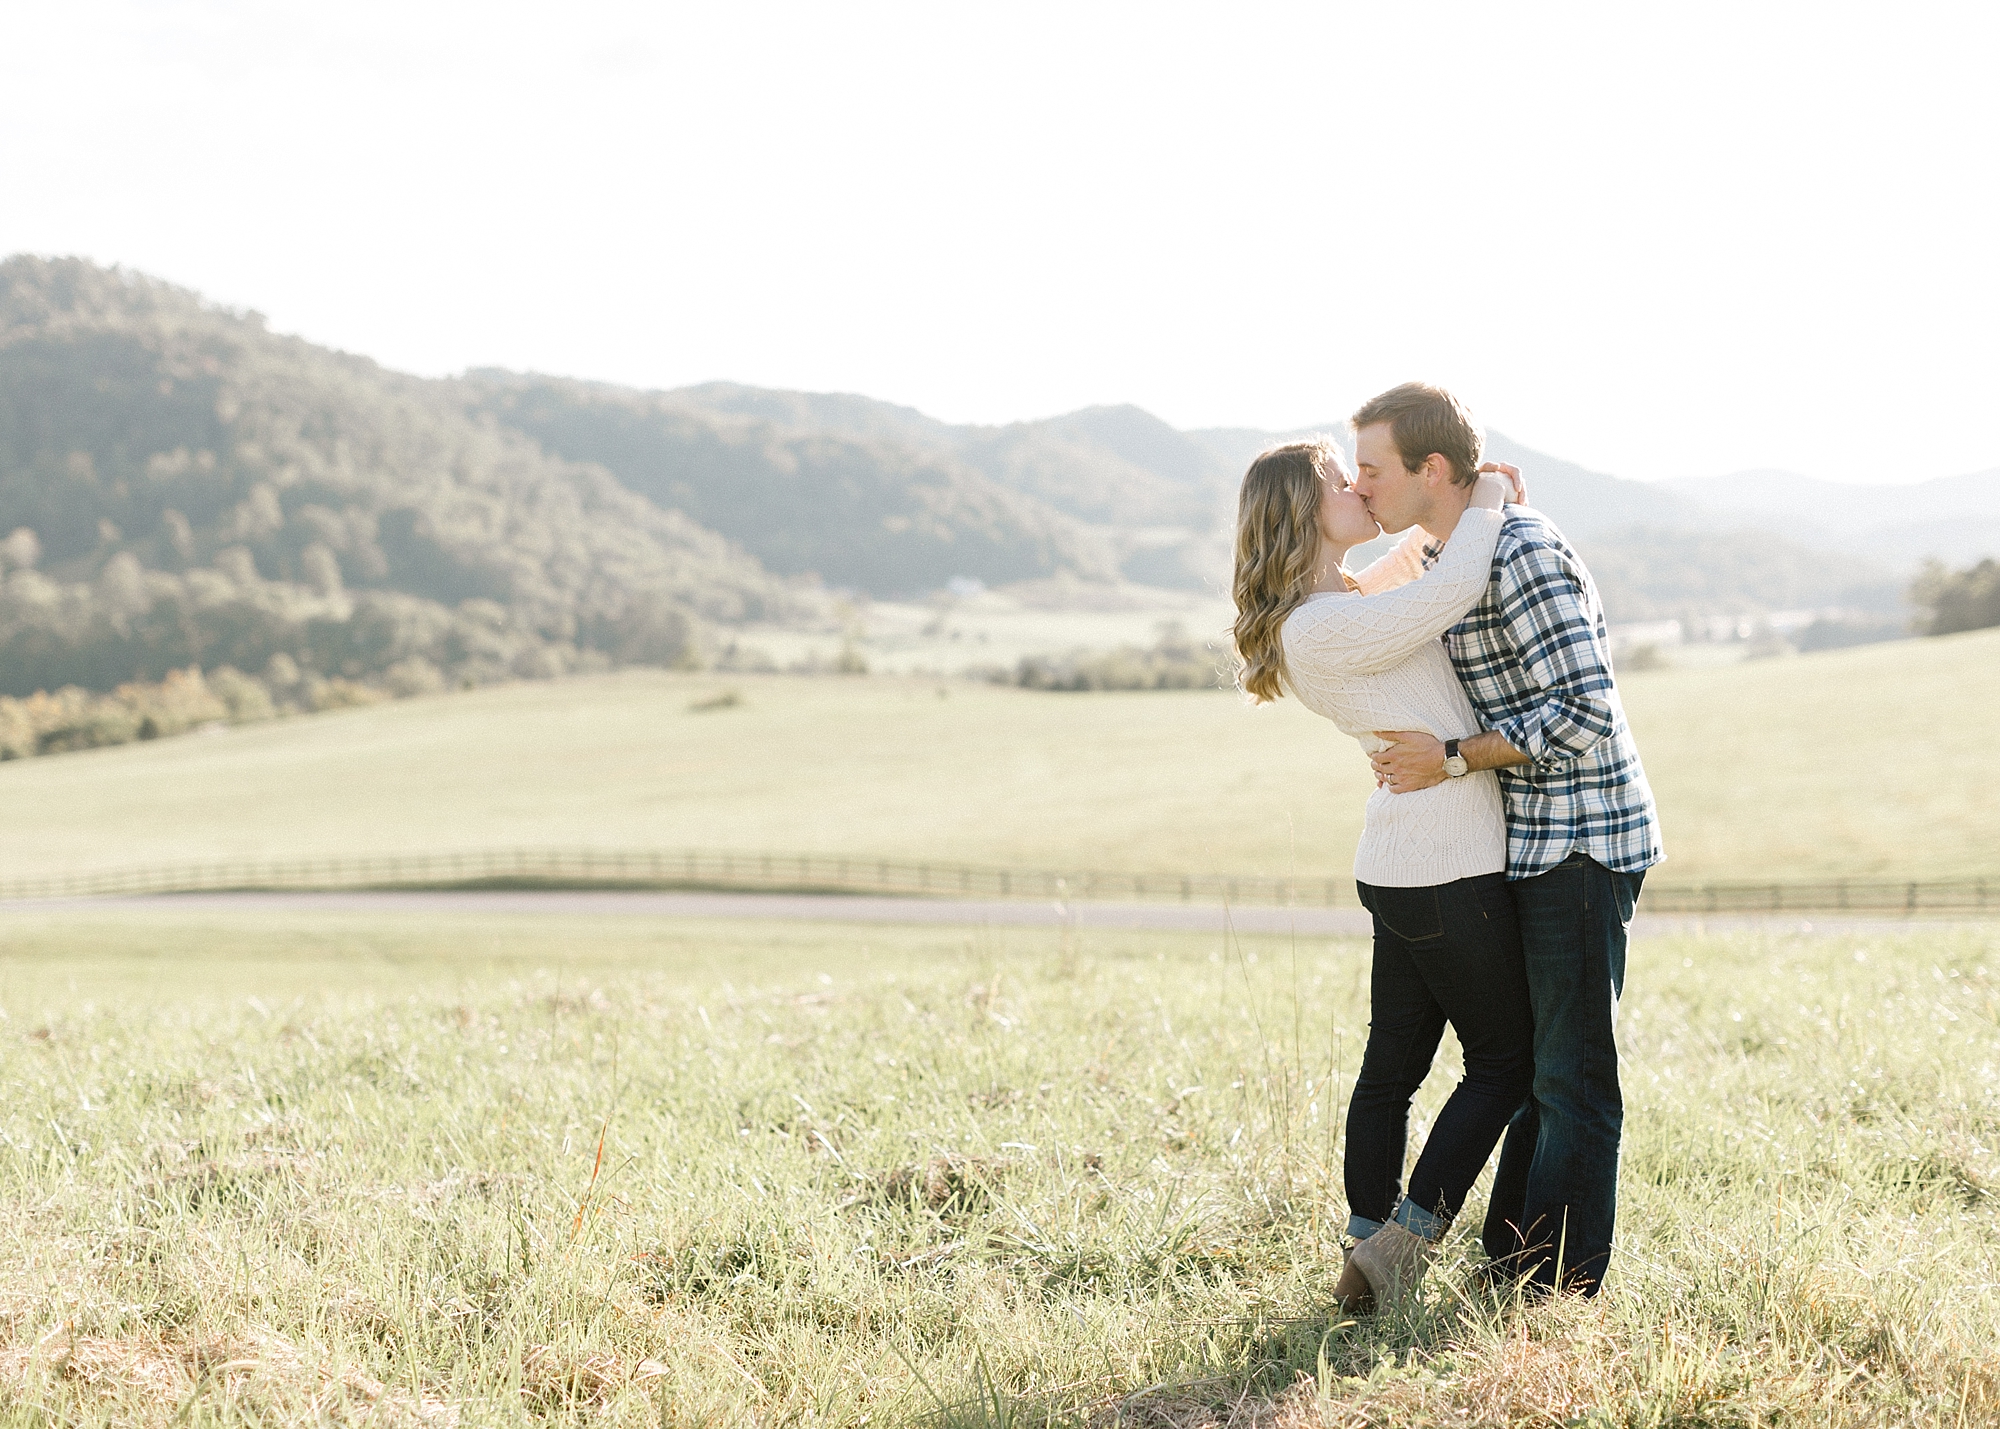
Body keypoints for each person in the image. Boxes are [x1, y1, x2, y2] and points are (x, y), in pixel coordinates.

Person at [1356, 382, 1664, 1297]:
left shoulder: (1521, 551)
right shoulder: (1454, 547)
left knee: (1570, 1076)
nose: (1363, 485)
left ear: (1432, 469)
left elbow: (1587, 710)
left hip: (1580, 837)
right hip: (1524, 840)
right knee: (1536, 1066)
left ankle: (1554, 1289)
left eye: (1374, 469)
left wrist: (1452, 757)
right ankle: (1512, 1264)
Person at [1231, 438, 1530, 1309]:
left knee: (1392, 1067)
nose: (1359, 486)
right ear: (1300, 511)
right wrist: (1486, 502)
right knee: (1507, 1061)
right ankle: (1406, 1242)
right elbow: (1446, 590)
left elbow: (1407, 570)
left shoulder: (1335, 605)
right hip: (1445, 863)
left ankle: (1366, 1250)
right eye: (1339, 479)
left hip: (1409, 863)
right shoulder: (1321, 626)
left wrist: (1449, 501)